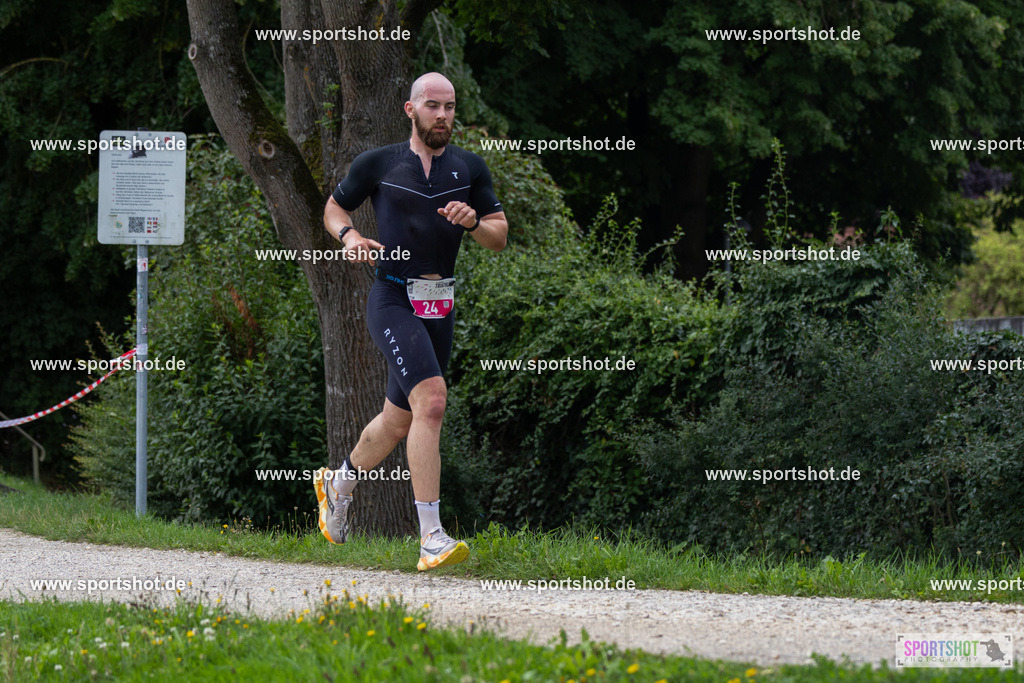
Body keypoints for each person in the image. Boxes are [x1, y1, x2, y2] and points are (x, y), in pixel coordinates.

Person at [314, 72, 507, 571]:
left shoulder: (469, 168)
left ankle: (338, 485)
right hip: (393, 297)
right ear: (410, 109)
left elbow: (498, 236)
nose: (443, 115)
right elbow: (334, 208)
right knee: (433, 401)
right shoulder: (378, 163)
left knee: (399, 420)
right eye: (433, 106)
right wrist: (350, 237)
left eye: (450, 107)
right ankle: (431, 539)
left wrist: (474, 222)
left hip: (439, 304)